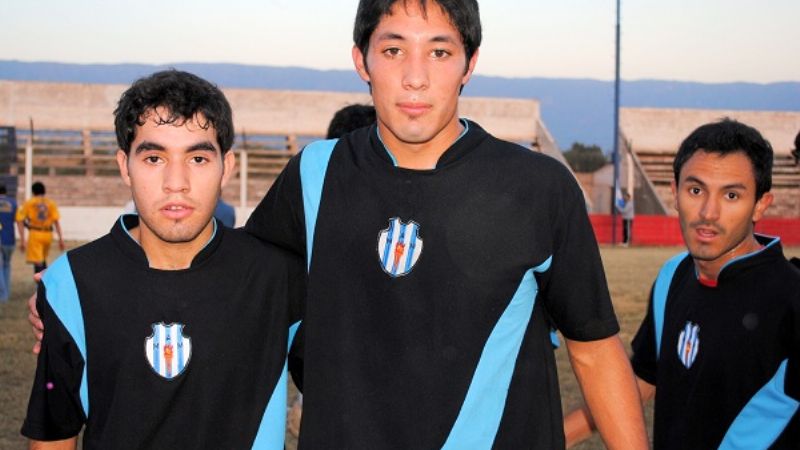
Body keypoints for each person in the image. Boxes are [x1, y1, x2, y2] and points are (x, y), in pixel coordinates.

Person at [245, 1, 647, 447]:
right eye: (394, 50)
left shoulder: (537, 186)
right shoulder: (312, 176)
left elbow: (593, 351)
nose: (415, 77)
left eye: (439, 52)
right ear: (361, 60)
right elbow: (238, 303)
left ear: (469, 64)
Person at [21, 70, 303, 449]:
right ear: (125, 166)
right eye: (154, 158)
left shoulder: (278, 276)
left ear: (227, 168)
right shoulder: (73, 282)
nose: (176, 182)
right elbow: (54, 436)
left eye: (198, 158)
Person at [564, 119, 800, 448]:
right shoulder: (673, 274)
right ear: (674, 193)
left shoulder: (792, 298)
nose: (708, 212)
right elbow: (643, 379)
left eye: (731, 195)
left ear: (761, 204)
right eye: (695, 190)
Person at [16, 181, 64, 274]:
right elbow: (56, 222)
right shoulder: (51, 203)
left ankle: (41, 284)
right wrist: (60, 239)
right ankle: (45, 282)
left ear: (33, 192)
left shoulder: (29, 203)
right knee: (43, 259)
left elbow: (19, 219)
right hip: (48, 234)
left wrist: (22, 239)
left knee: (38, 262)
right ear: (44, 191)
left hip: (35, 233)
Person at [0, 184, 17, 302]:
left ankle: (2, 294)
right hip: (10, 239)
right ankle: (6, 294)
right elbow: (17, 219)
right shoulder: (13, 203)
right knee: (7, 265)